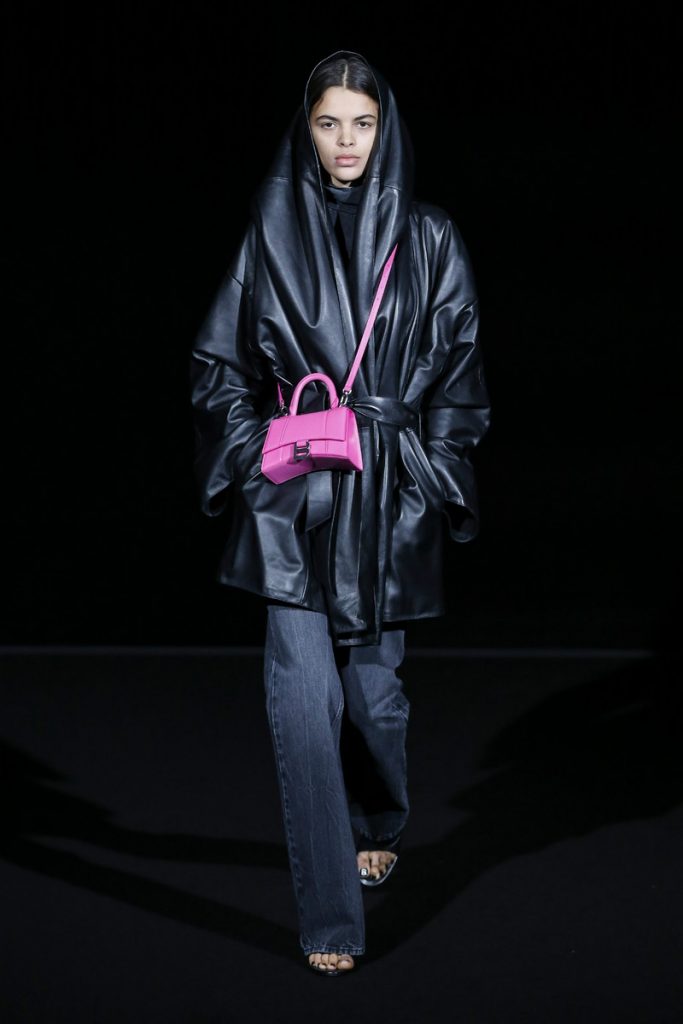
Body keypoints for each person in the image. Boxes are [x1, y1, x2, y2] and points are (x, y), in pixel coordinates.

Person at [189, 49, 491, 976]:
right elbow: (217, 362)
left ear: (384, 130)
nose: (346, 141)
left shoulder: (429, 237)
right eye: (329, 123)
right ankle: (330, 919)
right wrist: (255, 456)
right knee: (302, 699)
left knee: (373, 699)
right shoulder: (271, 231)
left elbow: (461, 380)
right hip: (295, 496)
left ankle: (379, 820)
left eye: (362, 123)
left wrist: (433, 472)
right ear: (307, 130)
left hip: (386, 494)